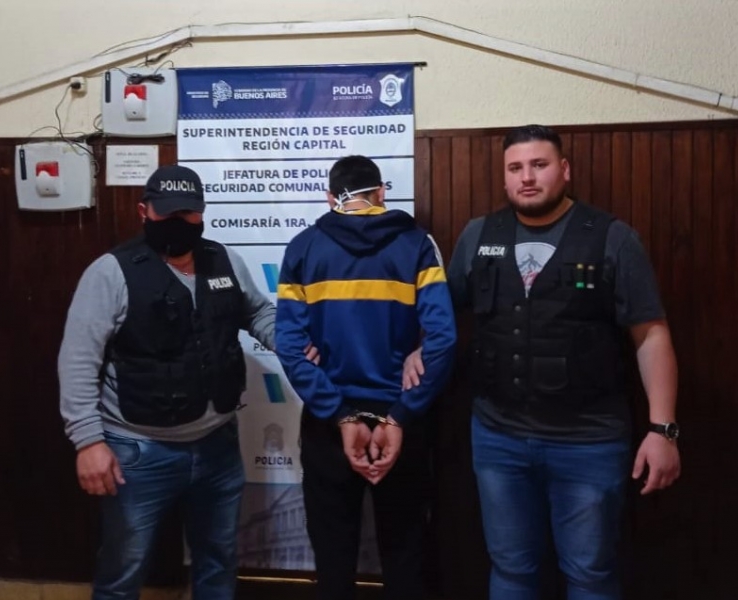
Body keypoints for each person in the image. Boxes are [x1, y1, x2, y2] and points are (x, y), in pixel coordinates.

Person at [407, 125, 681, 599]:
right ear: (504, 177)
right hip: (498, 438)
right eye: (515, 168)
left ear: (564, 169)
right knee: (511, 570)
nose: (527, 177)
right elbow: (443, 314)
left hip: (589, 441)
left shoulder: (612, 238)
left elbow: (650, 335)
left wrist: (663, 430)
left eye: (539, 165)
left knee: (590, 573)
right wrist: (419, 346)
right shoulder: (478, 235)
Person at [58, 164, 279, 600]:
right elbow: (78, 360)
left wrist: (288, 342)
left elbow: (256, 311)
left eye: (187, 213)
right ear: (144, 211)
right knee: (123, 570)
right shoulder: (110, 272)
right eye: (168, 213)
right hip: (137, 451)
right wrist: (88, 441)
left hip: (218, 446)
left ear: (202, 213)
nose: (179, 222)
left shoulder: (224, 260)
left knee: (218, 561)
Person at [275, 155, 457, 600]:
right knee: (406, 555)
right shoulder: (417, 244)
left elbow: (290, 348)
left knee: (333, 559)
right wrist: (400, 416)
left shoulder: (303, 247)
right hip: (402, 418)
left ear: (330, 197)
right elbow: (443, 339)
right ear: (381, 193)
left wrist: (340, 415)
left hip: (329, 422)